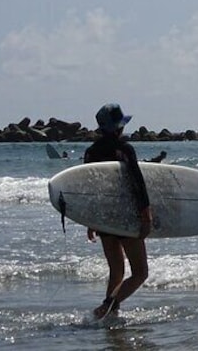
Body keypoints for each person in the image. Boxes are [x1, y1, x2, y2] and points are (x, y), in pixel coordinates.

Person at [83, 103, 152, 319]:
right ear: (117, 127)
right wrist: (145, 214)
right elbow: (137, 183)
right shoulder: (125, 149)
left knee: (117, 271)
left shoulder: (91, 152)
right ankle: (107, 307)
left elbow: (89, 188)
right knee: (140, 273)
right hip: (126, 216)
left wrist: (91, 220)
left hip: (105, 217)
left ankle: (109, 317)